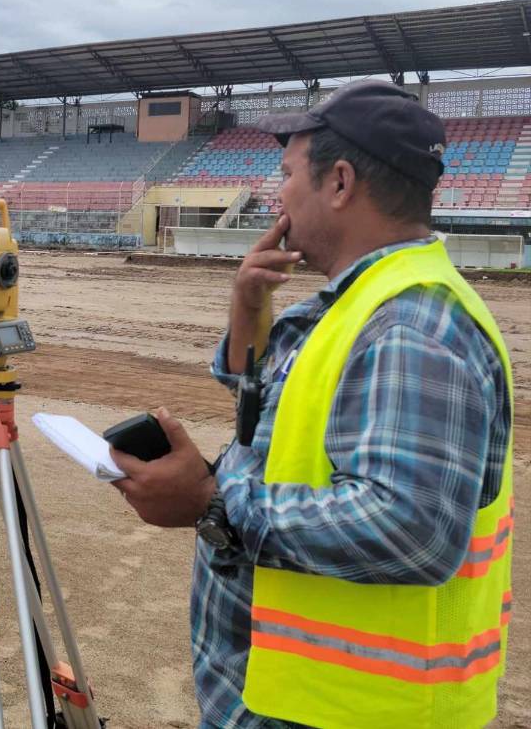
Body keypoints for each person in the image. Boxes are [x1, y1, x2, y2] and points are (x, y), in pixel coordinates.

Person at [110, 80, 513, 728]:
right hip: (296, 697)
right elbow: (257, 399)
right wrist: (247, 306)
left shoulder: (410, 326)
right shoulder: (358, 306)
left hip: (356, 712)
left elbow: (410, 532)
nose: (278, 194)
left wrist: (213, 502)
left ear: (341, 183)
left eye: (288, 174)